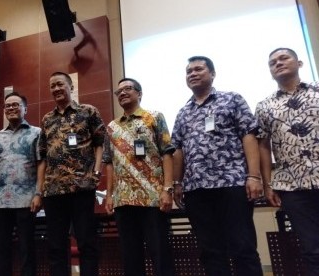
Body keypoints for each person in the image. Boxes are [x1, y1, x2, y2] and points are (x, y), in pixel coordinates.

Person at [172, 56, 264, 276]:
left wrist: (254, 176)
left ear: (212, 74)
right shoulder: (183, 112)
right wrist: (176, 183)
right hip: (196, 190)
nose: (192, 74)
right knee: (209, 251)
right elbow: (178, 150)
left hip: (232, 184)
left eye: (198, 69)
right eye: (188, 71)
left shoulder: (232, 99)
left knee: (242, 246)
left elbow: (249, 136)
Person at [255, 47, 319, 275]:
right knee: (312, 248)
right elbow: (263, 145)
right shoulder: (264, 106)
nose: (278, 63)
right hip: (292, 187)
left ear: (300, 63)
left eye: (284, 58)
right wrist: (267, 183)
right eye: (272, 62)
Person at [102, 78, 175, 276]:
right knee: (130, 257)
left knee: (160, 255)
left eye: (128, 89)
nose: (123, 93)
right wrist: (109, 195)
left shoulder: (154, 117)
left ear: (139, 93)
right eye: (119, 92)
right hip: (123, 201)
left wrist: (168, 189)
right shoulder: (111, 127)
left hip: (152, 198)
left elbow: (167, 153)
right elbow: (108, 162)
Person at [38, 72, 106, 276]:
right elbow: (42, 154)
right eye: (52, 86)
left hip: (82, 187)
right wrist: (40, 188)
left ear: (71, 87)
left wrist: (96, 172)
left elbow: (101, 143)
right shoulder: (47, 119)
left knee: (87, 242)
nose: (56, 89)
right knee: (56, 246)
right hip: (54, 191)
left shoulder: (88, 111)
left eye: (60, 84)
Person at [0, 92, 42, 276]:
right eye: (8, 105)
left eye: (16, 105)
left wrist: (39, 193)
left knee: (27, 249)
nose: (12, 108)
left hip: (26, 200)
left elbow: (41, 164)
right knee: (0, 249)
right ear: (4, 110)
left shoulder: (36, 133)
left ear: (25, 109)